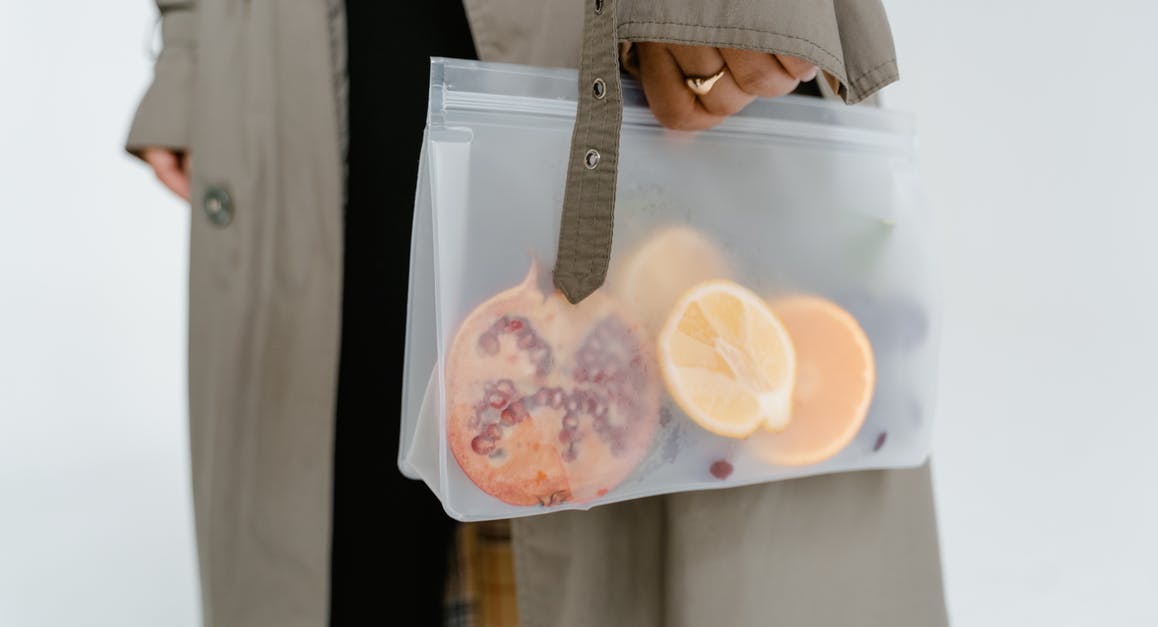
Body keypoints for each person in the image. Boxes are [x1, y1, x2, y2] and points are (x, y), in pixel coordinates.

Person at [128, 0, 945, 625]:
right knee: (350, 538)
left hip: (628, 41)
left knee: (687, 455)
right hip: (307, 60)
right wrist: (195, 43)